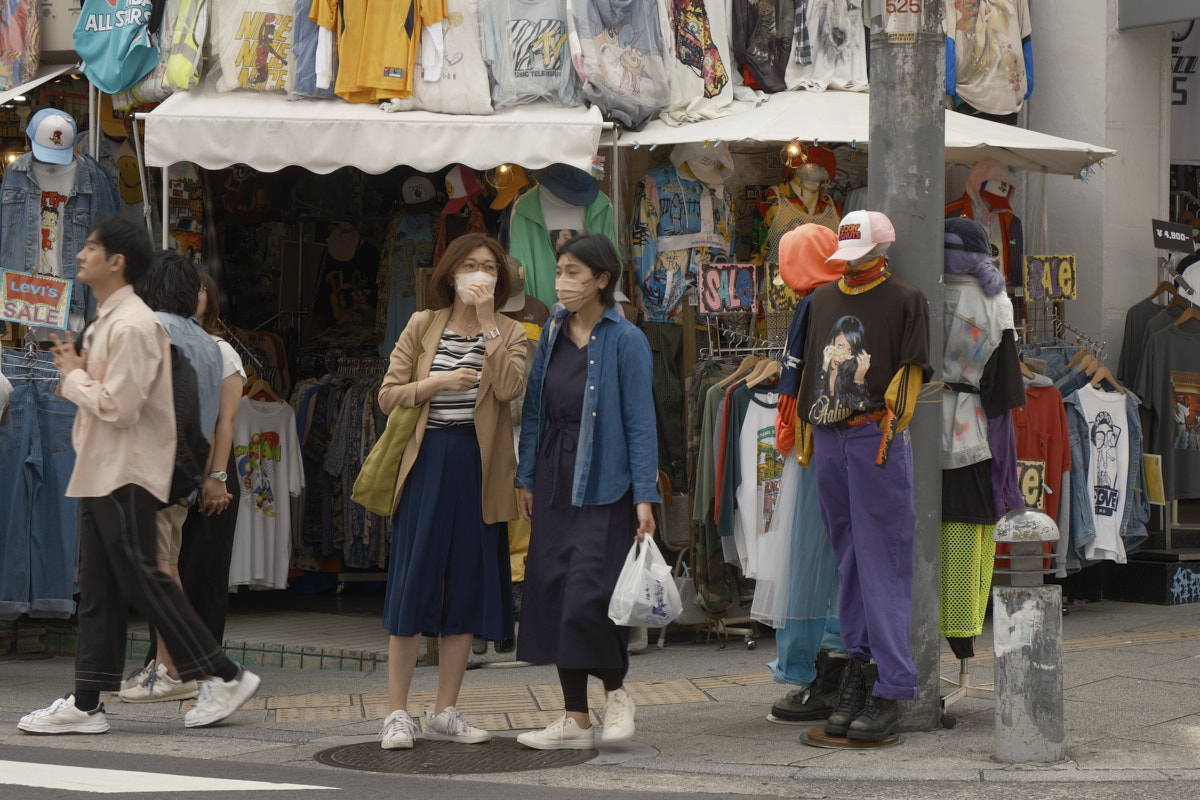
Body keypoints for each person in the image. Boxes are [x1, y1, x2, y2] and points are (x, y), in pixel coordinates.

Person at [18, 215, 259, 735]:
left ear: (117, 262)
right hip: (105, 468)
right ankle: (86, 702)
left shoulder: (131, 325)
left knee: (145, 579)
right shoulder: (115, 319)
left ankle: (224, 675)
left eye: (90, 247)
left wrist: (72, 378)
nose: (80, 254)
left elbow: (119, 406)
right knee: (103, 589)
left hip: (125, 470)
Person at [376, 232, 527, 750]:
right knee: (413, 581)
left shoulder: (510, 331)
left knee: (466, 584)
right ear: (451, 273)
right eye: (470, 265)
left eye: (489, 267)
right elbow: (387, 395)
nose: (480, 274)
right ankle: (396, 713)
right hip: (427, 459)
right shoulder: (422, 324)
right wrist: (438, 383)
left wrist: (487, 324)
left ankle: (445, 710)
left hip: (480, 466)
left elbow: (510, 389)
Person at [515, 233, 659, 751]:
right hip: (554, 477)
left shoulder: (627, 340)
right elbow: (534, 410)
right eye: (559, 271)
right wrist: (526, 477)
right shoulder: (553, 330)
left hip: (606, 482)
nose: (562, 282)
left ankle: (617, 694)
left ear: (601, 279)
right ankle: (576, 719)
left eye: (573, 272)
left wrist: (644, 496)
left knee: (588, 596)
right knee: (555, 593)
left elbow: (640, 422)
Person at [122, 268, 246, 693]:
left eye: (201, 289)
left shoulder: (217, 350)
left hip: (204, 467)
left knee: (190, 570)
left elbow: (223, 422)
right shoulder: (190, 342)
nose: (195, 294)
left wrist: (217, 476)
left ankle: (198, 666)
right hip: (185, 467)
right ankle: (168, 662)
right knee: (169, 565)